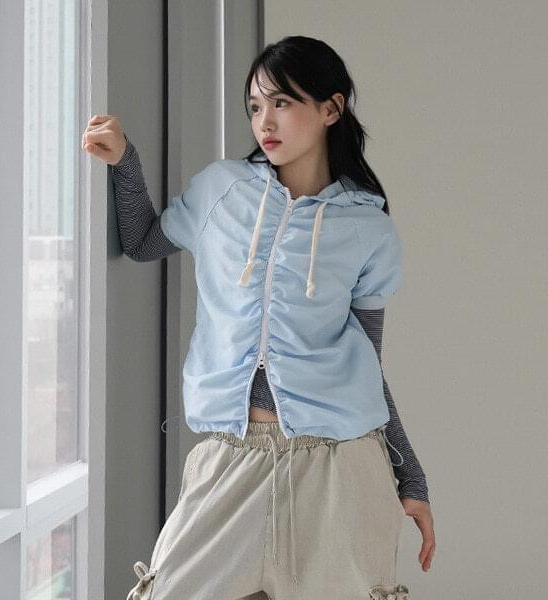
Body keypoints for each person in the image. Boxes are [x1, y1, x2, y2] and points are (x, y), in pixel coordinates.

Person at [83, 35, 435, 600]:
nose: (264, 121)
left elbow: (368, 365)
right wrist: (126, 161)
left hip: (339, 468)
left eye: (282, 103)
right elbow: (143, 241)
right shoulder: (222, 190)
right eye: (254, 106)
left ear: (331, 109)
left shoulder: (367, 228)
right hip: (234, 456)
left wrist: (411, 477)